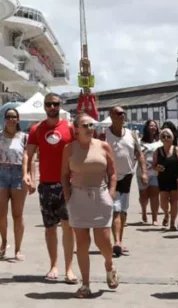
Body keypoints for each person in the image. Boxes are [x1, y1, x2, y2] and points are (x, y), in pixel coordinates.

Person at [23, 92, 77, 283]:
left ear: (60, 106)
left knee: (68, 227)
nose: (52, 107)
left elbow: (79, 152)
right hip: (46, 185)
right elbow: (28, 155)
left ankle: (69, 269)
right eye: (49, 104)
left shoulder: (70, 128)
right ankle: (53, 266)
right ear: (44, 107)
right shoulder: (36, 129)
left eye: (55, 104)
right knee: (49, 228)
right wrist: (27, 175)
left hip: (67, 184)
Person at [63, 114, 118, 298]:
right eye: (85, 125)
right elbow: (64, 175)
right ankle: (85, 284)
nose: (89, 127)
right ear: (76, 129)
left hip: (100, 196)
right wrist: (68, 196)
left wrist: (110, 194)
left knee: (103, 240)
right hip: (78, 197)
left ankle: (109, 264)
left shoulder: (103, 146)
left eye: (91, 124)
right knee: (82, 242)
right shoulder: (69, 149)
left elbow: (112, 173)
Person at [105, 106, 145, 255]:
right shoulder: (104, 134)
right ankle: (116, 242)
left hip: (127, 176)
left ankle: (120, 241)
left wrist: (144, 173)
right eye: (118, 113)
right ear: (111, 116)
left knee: (123, 211)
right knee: (115, 209)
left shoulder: (131, 134)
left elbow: (139, 154)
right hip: (110, 177)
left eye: (123, 113)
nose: (121, 115)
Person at [0, 106, 28, 261]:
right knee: (1, 213)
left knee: (17, 214)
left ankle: (18, 248)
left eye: (14, 117)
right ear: (4, 119)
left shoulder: (24, 137)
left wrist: (29, 176)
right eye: (8, 116)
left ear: (18, 119)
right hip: (1, 172)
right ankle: (4, 241)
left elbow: (29, 158)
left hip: (18, 173)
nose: (11, 119)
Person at [155, 127, 178, 231]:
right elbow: (154, 165)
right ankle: (166, 214)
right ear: (160, 138)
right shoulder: (158, 151)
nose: (166, 138)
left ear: (172, 138)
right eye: (163, 136)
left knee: (174, 201)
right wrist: (156, 167)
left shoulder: (176, 149)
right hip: (162, 178)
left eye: (168, 136)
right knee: (163, 201)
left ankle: (172, 223)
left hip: (175, 178)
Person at [137, 119, 161, 225]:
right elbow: (135, 156)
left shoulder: (160, 143)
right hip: (142, 172)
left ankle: (155, 218)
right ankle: (144, 211)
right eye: (151, 126)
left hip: (156, 173)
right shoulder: (139, 142)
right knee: (144, 196)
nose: (153, 127)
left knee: (155, 195)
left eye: (154, 126)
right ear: (146, 128)